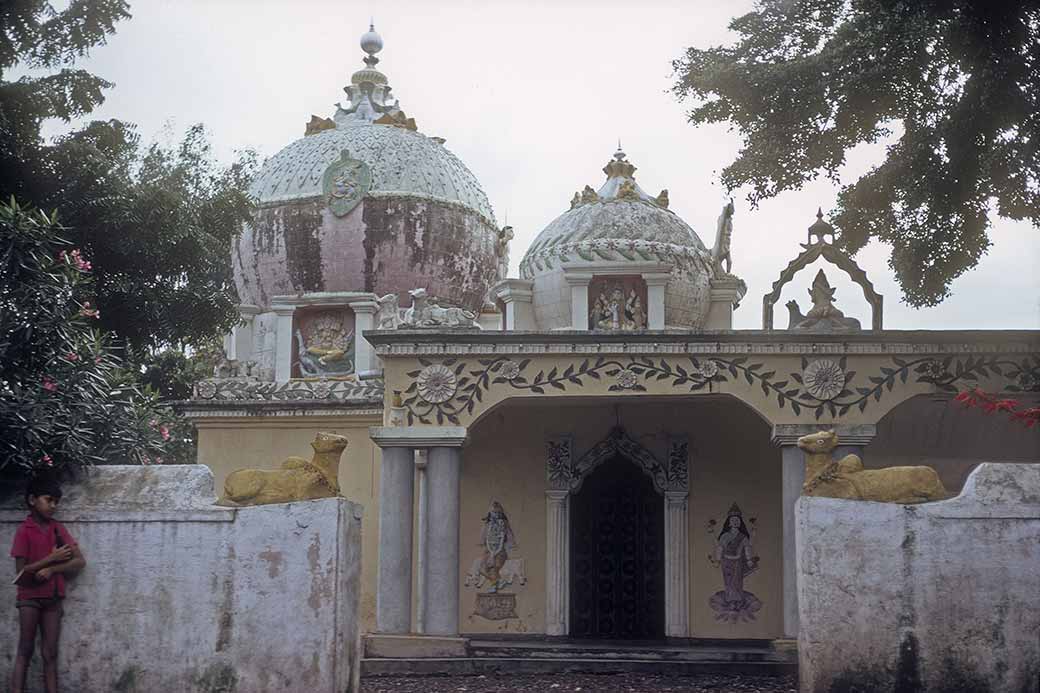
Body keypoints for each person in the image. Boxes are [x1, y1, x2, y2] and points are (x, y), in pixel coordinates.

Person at [10, 477, 86, 693]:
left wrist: (53, 569)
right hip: (29, 598)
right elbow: (21, 572)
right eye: (48, 500)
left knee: (50, 653)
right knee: (25, 649)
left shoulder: (57, 529)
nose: (53, 506)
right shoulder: (24, 530)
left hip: (53, 598)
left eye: (56, 502)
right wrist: (51, 559)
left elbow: (80, 561)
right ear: (32, 500)